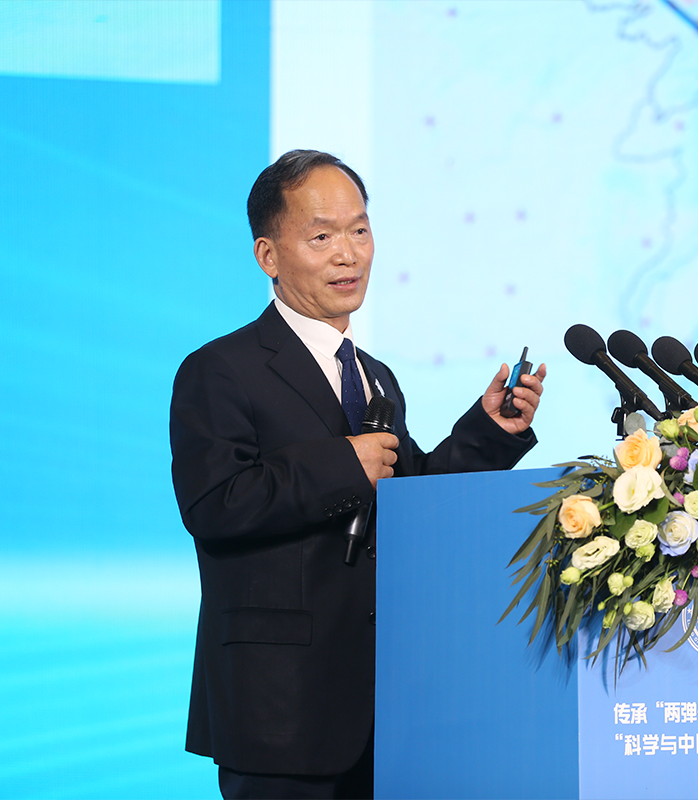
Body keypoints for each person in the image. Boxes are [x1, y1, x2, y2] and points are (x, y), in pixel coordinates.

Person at [169, 150, 546, 799]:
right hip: (281, 708)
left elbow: (406, 495)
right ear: (268, 256)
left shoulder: (374, 375)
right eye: (321, 237)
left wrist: (490, 431)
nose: (348, 254)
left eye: (360, 230)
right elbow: (215, 504)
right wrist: (343, 464)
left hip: (385, 704)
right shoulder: (220, 369)